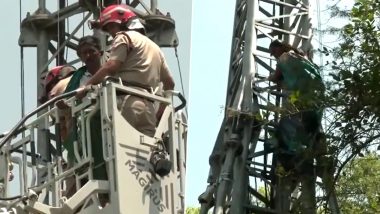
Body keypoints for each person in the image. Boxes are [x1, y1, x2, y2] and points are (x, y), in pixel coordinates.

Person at [77, 4, 175, 137]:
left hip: (127, 101)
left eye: (112, 26)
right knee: (145, 153)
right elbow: (170, 84)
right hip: (149, 109)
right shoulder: (155, 48)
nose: (111, 32)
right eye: (107, 28)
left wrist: (87, 85)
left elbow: (111, 66)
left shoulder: (124, 37)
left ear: (124, 24)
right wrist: (162, 109)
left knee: (117, 148)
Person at [268, 40, 325, 158]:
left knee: (288, 123)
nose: (274, 55)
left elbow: (276, 77)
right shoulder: (300, 55)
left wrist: (271, 77)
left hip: (303, 93)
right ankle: (317, 145)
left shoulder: (285, 57)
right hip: (316, 91)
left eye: (274, 51)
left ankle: (290, 152)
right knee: (310, 120)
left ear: (280, 47)